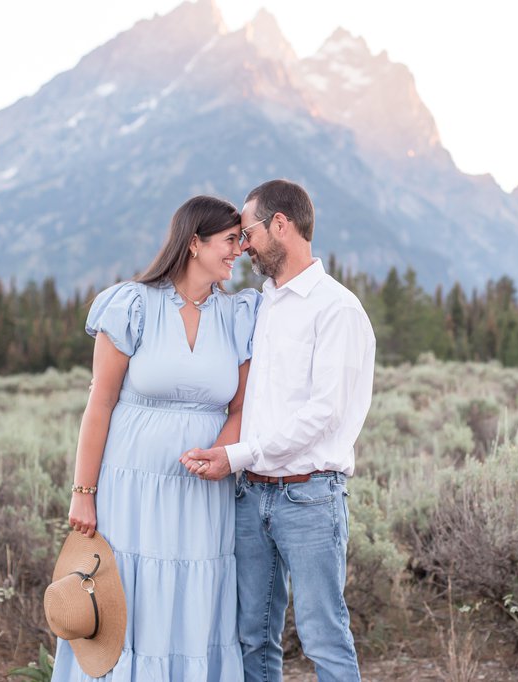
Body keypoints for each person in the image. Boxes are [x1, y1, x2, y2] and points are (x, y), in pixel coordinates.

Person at [53, 196, 259, 680]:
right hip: (132, 489)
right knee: (130, 596)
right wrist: (83, 493)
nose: (240, 251)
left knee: (194, 594)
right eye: (231, 240)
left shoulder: (238, 315)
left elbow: (241, 407)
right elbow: (99, 404)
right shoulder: (132, 305)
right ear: (194, 243)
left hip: (204, 494)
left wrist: (221, 454)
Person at [182, 179, 376, 681]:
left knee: (324, 638)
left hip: (309, 499)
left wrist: (238, 456)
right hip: (252, 497)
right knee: (253, 635)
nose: (242, 246)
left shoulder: (337, 309)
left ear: (281, 226)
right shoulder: (262, 304)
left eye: (247, 232)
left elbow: (322, 416)